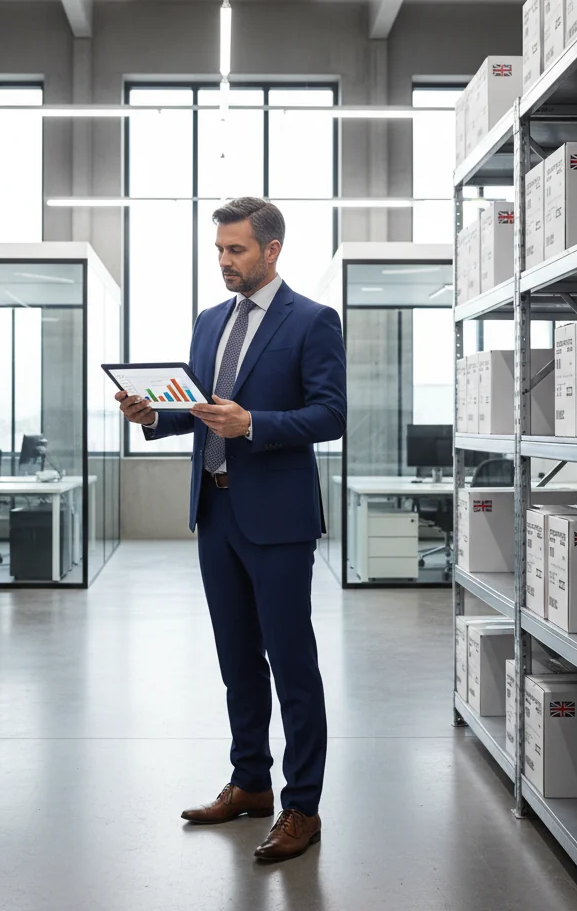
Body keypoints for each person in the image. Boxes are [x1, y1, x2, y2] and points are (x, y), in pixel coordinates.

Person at [116, 197, 346, 862]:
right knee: (236, 660)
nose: (223, 261)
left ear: (271, 250)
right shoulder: (208, 321)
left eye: (236, 250)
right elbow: (197, 411)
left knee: (291, 663)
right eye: (218, 249)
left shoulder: (312, 321)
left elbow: (330, 414)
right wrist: (153, 416)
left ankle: (303, 805)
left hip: (278, 520)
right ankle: (251, 782)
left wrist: (256, 426)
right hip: (215, 513)